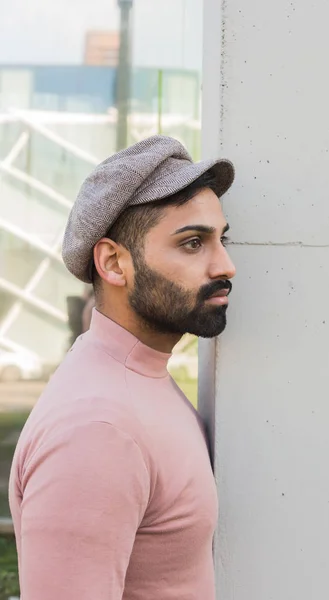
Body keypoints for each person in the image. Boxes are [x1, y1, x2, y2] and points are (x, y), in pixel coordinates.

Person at [9, 135, 236, 600]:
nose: (226, 265)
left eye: (221, 239)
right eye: (193, 243)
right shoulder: (97, 428)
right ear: (114, 263)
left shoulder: (137, 378)